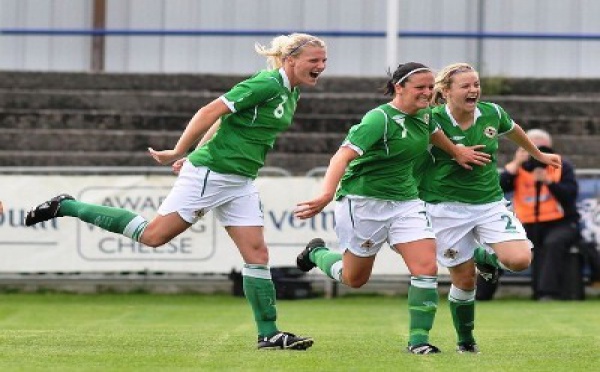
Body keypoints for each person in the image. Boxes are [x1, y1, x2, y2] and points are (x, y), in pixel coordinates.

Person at [24, 33, 327, 351]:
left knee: (257, 255)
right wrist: (180, 151)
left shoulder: (291, 92)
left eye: (323, 61)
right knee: (153, 236)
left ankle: (268, 333)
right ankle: (67, 205)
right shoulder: (266, 83)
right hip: (212, 174)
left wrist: (193, 152)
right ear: (290, 60)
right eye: (314, 60)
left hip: (240, 181)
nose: (321, 66)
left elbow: (226, 120)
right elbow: (209, 111)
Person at [294, 62, 491, 355]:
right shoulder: (378, 120)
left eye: (429, 87)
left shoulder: (425, 116)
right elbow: (341, 157)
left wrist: (457, 151)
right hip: (363, 203)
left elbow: (434, 132)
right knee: (354, 279)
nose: (427, 94)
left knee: (426, 267)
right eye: (420, 88)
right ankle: (316, 253)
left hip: (406, 202)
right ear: (399, 88)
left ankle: (418, 340)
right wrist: (325, 194)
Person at [418, 63, 562, 353]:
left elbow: (513, 129)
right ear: (446, 91)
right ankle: (466, 341)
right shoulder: (429, 119)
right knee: (464, 279)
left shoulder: (492, 113)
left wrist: (538, 154)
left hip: (488, 204)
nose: (474, 90)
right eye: (466, 86)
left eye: (477, 84)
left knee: (520, 260)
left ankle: (485, 256)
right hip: (445, 208)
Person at [495, 129, 580, 301]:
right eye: (531, 148)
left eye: (542, 149)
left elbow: (570, 197)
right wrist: (515, 165)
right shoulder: (517, 168)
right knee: (501, 243)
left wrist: (548, 182)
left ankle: (547, 293)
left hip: (560, 223)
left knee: (553, 242)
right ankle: (481, 293)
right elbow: (497, 190)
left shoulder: (562, 166)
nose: (537, 154)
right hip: (526, 224)